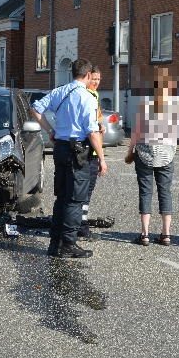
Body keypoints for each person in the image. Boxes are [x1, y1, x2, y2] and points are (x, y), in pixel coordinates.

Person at [31, 59, 108, 258]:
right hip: (78, 151)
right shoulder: (87, 97)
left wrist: (51, 130)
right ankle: (68, 243)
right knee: (75, 199)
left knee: (62, 197)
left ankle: (55, 243)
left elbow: (36, 108)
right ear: (88, 75)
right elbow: (92, 132)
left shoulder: (60, 91)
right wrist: (101, 158)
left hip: (61, 147)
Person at [125, 66, 179, 246]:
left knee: (145, 192)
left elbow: (136, 133)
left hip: (145, 154)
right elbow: (176, 134)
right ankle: (166, 234)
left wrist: (129, 153)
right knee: (165, 192)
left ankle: (145, 234)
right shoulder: (174, 109)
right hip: (166, 155)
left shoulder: (145, 106)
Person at [78, 66, 105, 240]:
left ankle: (82, 221)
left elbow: (97, 119)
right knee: (83, 190)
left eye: (98, 79)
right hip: (88, 150)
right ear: (87, 78)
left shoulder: (95, 96)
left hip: (94, 150)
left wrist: (100, 125)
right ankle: (81, 224)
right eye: (93, 79)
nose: (95, 82)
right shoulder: (86, 96)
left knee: (88, 190)